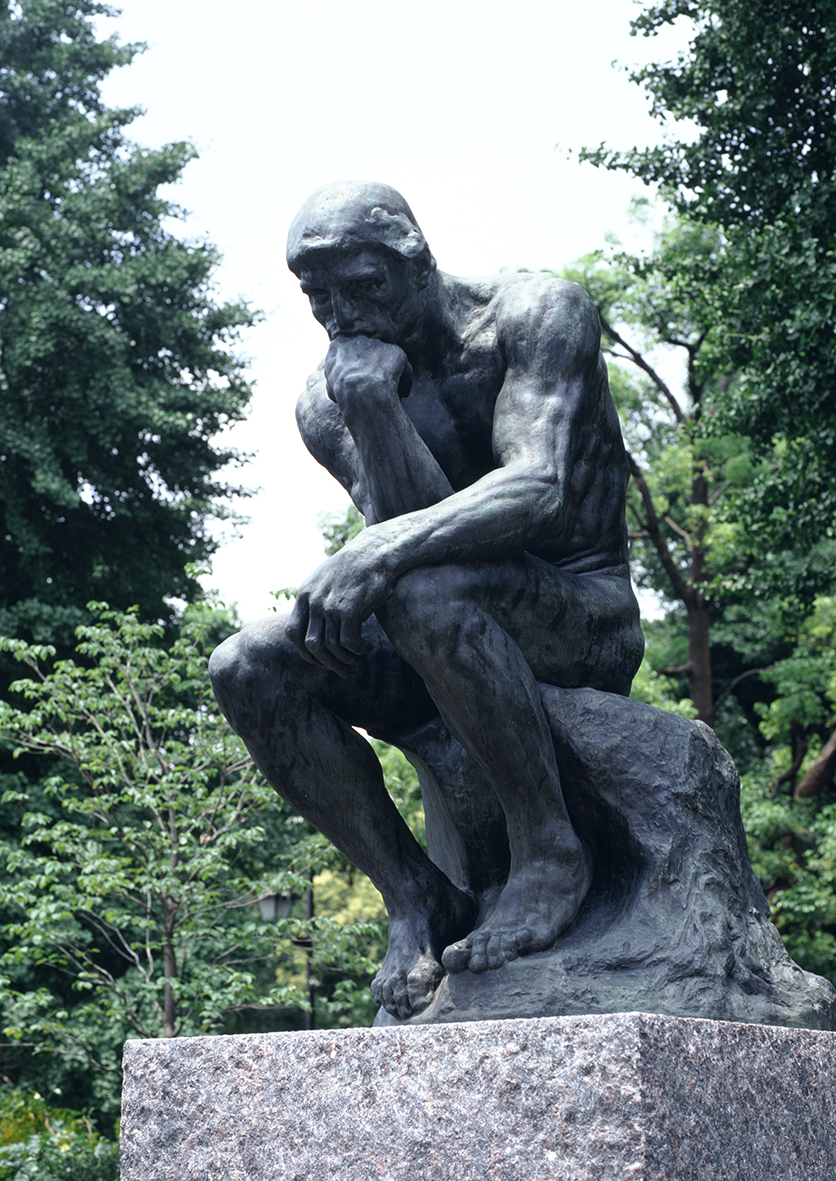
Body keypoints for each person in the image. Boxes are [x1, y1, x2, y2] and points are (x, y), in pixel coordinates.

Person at [209, 181, 643, 1020]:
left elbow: (538, 490)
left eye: (362, 286)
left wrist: (375, 549)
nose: (341, 312)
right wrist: (372, 404)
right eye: (318, 296)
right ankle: (416, 898)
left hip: (579, 616)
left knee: (423, 585)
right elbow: (407, 529)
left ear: (417, 260)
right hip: (438, 623)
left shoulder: (535, 316)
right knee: (249, 664)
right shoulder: (328, 396)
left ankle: (549, 853)